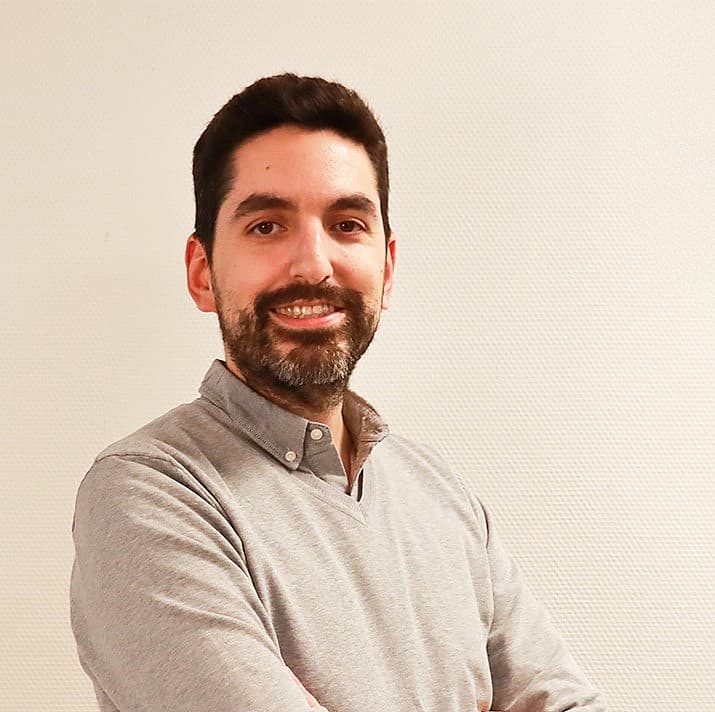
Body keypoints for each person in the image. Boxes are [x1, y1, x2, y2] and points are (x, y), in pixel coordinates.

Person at [70, 74, 607, 712]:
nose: (313, 265)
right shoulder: (149, 493)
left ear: (386, 269)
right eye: (266, 226)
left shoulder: (437, 491)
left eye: (347, 224)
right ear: (203, 272)